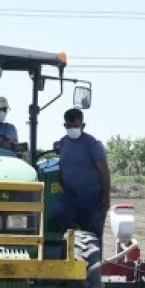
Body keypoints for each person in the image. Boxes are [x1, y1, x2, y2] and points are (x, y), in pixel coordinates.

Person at [52, 108, 111, 255]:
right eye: (68, 126)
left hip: (93, 197)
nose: (72, 129)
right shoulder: (63, 143)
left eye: (75, 126)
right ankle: (66, 255)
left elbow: (104, 171)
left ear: (83, 125)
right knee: (58, 213)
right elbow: (62, 169)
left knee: (93, 234)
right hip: (72, 195)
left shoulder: (93, 144)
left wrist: (105, 197)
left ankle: (93, 269)